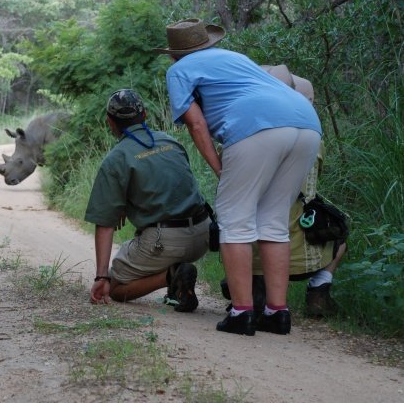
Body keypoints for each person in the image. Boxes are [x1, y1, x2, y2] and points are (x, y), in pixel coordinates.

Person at [155, 19, 322, 336]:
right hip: (307, 124)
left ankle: (242, 313)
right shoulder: (236, 58)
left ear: (174, 54)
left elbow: (197, 125)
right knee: (273, 220)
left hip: (257, 127)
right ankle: (277, 313)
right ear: (208, 44)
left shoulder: (178, 70)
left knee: (234, 219)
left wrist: (219, 167)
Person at [223, 65, 346, 317]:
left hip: (251, 247)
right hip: (302, 249)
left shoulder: (245, 134)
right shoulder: (314, 139)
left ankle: (252, 288)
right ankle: (319, 287)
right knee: (340, 228)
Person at [86, 89, 210, 312]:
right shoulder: (171, 142)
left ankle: (173, 275)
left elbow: (105, 223)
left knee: (116, 286)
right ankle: (178, 283)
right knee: (156, 244)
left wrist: (102, 276)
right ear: (145, 115)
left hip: (166, 241)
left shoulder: (116, 158)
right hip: (204, 234)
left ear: (110, 122)